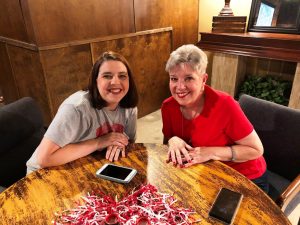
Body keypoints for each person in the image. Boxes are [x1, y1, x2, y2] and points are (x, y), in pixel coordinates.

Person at [161, 44, 268, 192]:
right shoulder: (168, 106)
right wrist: (173, 140)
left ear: (204, 79)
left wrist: (210, 152)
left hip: (245, 176)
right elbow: (168, 144)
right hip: (205, 172)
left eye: (188, 78)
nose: (179, 87)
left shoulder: (225, 104)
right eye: (174, 79)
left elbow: (256, 149)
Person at [26, 51, 138, 174]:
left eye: (122, 76)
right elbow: (44, 159)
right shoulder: (75, 108)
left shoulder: (129, 107)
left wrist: (119, 142)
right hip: (43, 173)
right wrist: (100, 142)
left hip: (84, 166)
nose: (116, 82)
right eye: (107, 76)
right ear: (96, 81)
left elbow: (130, 141)